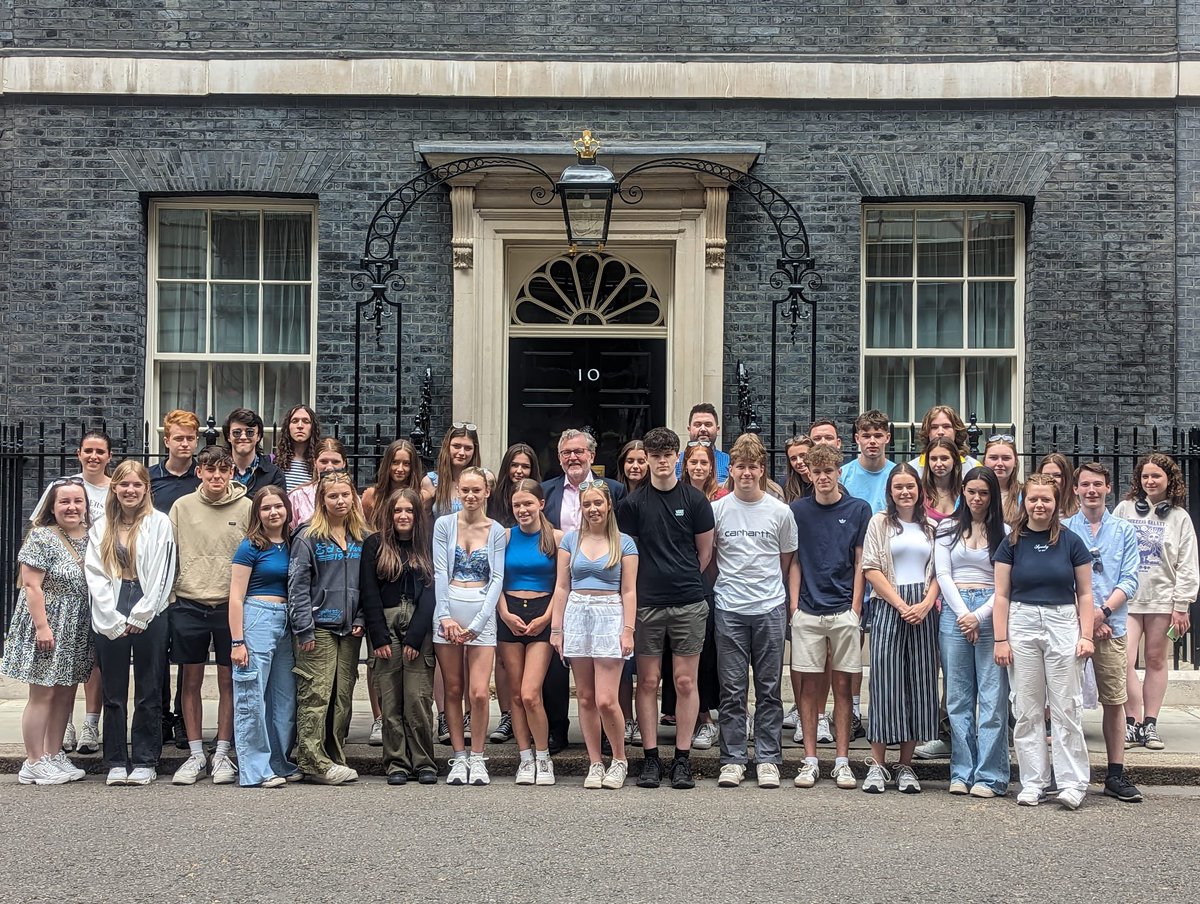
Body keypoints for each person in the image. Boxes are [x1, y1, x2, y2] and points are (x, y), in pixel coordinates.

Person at [617, 426, 715, 790]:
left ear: (677, 458)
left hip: (689, 601)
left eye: (666, 456)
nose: (660, 462)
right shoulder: (631, 505)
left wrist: (681, 577)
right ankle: (652, 758)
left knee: (685, 680)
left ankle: (683, 759)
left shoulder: (695, 501)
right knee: (648, 681)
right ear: (648, 459)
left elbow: (705, 553)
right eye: (654, 456)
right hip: (647, 605)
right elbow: (628, 556)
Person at [993, 474, 1094, 809]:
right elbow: (1002, 595)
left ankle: (1072, 782)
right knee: (1026, 707)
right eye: (1033, 499)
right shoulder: (1011, 543)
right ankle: (1034, 781)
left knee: (1067, 706)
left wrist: (1087, 635)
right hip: (1021, 621)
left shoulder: (1072, 542)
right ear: (1025, 502)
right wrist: (1001, 639)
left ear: (1056, 502)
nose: (1039, 505)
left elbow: (1086, 593)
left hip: (1062, 620)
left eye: (1046, 499)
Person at [710, 436, 797, 789]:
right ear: (730, 470)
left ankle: (767, 757)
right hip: (729, 608)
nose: (746, 473)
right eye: (740, 466)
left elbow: (786, 559)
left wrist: (783, 602)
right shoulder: (717, 510)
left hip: (769, 607)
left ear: (762, 470)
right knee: (731, 689)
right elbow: (711, 559)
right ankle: (732, 758)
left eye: (753, 467)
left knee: (769, 688)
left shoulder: (780, 511)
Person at [86, 461, 177, 786]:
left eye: (137, 485)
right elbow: (94, 574)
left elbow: (165, 572)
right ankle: (114, 761)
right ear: (115, 488)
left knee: (149, 688)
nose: (130, 490)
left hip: (149, 604)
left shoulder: (160, 523)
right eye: (124, 484)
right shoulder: (100, 526)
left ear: (145, 488)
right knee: (113, 691)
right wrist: (110, 616)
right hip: (112, 602)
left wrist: (143, 612)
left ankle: (144, 760)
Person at [787, 442, 871, 790]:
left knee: (842, 687)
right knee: (808, 687)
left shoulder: (858, 509)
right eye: (816, 472)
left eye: (828, 472)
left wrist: (855, 608)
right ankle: (809, 760)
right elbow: (793, 560)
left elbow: (860, 562)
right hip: (807, 609)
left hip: (843, 611)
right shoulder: (797, 511)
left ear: (839, 473)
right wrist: (794, 608)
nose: (823, 478)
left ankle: (841, 760)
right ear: (810, 475)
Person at [2, 479, 95, 785]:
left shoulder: (92, 537)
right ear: (52, 507)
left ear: (85, 505)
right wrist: (43, 627)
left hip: (77, 626)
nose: (71, 507)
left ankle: (53, 754)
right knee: (43, 693)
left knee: (66, 693)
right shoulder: (42, 537)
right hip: (49, 624)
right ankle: (32, 760)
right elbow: (31, 586)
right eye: (64, 502)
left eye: (77, 501)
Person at [169, 444, 251, 786]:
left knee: (228, 680)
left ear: (231, 472)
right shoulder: (181, 506)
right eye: (209, 470)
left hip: (229, 605)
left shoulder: (247, 507)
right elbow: (170, 552)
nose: (216, 476)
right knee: (190, 680)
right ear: (199, 472)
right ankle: (194, 753)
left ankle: (221, 753)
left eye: (223, 470)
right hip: (189, 602)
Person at [541, 428, 626, 754]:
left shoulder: (614, 490)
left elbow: (623, 538)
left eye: (578, 452)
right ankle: (557, 732)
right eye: (566, 453)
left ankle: (609, 739)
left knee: (605, 678)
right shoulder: (547, 491)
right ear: (560, 458)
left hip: (604, 593)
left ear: (591, 455)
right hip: (560, 588)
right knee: (556, 671)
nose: (572, 458)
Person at [551, 480, 638, 789]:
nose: (592, 509)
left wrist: (628, 630)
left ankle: (619, 759)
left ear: (608, 505)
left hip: (609, 614)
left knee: (605, 699)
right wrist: (556, 629)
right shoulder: (570, 541)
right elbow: (562, 586)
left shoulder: (624, 542)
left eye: (598, 503)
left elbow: (629, 590)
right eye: (587, 504)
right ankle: (594, 762)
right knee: (585, 697)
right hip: (577, 614)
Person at [30, 429, 112, 756]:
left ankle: (92, 722)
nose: (94, 456)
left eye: (100, 452)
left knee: (92, 658)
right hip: (63, 585)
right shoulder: (63, 486)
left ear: (109, 456)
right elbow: (39, 525)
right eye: (88, 450)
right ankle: (60, 730)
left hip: (101, 582)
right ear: (79, 453)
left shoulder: (114, 488)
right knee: (59, 663)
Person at [1065, 462, 1143, 802]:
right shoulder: (1065, 528)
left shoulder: (1124, 530)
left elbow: (1130, 578)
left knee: (1115, 700)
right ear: (1076, 489)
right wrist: (1087, 617)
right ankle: (1067, 773)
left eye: (1098, 484)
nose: (1091, 490)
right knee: (1065, 700)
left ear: (1108, 488)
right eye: (1085, 484)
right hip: (1072, 626)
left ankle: (1115, 774)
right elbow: (1061, 576)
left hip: (1112, 626)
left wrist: (1102, 612)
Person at [860, 464, 940, 794]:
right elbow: (870, 568)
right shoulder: (880, 523)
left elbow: (940, 572)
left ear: (920, 490)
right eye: (898, 487)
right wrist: (901, 605)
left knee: (919, 684)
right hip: (889, 606)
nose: (905, 492)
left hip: (923, 609)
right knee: (885, 683)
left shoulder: (932, 527)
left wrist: (924, 604)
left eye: (910, 486)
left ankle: (906, 765)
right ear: (890, 492)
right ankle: (878, 765)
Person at [934, 466, 1011, 798]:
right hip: (955, 611)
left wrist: (979, 616)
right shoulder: (947, 527)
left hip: (990, 610)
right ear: (962, 492)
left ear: (992, 496)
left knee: (992, 698)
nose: (977, 499)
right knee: (958, 697)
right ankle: (962, 772)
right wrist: (964, 613)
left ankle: (990, 776)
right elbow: (942, 573)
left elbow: (1005, 582)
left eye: (984, 493)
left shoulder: (1005, 532)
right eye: (971, 491)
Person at [289, 470, 369, 785]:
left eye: (345, 495)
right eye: (332, 496)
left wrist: (361, 618)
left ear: (354, 497)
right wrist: (303, 627)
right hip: (318, 628)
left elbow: (367, 584)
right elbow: (297, 585)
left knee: (342, 695)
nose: (339, 501)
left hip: (349, 629)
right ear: (322, 500)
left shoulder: (361, 535)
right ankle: (311, 760)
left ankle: (334, 756)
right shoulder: (308, 535)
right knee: (316, 693)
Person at [1114, 453, 1198, 752]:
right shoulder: (1124, 509)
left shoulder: (1179, 518)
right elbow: (1113, 551)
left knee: (1155, 661)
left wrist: (1182, 604)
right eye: (1145, 476)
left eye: (1156, 476)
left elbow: (1187, 563)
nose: (1150, 481)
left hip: (1163, 600)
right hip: (1128, 598)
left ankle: (1150, 723)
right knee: (1123, 660)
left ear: (1169, 480)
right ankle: (1131, 722)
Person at [433, 466, 506, 786]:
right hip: (448, 609)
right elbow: (439, 572)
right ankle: (459, 757)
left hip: (482, 614)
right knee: (452, 688)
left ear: (487, 492)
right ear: (457, 493)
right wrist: (445, 616)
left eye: (477, 490)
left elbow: (498, 578)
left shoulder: (497, 530)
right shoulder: (444, 525)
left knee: (478, 692)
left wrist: (478, 623)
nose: (471, 496)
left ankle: (478, 757)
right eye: (465, 490)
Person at [361, 487, 438, 786]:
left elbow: (433, 590)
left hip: (419, 624)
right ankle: (396, 761)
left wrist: (416, 636)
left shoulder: (427, 545)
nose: (403, 516)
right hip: (385, 622)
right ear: (389, 515)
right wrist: (378, 635)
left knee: (417, 697)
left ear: (417, 515)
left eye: (409, 510)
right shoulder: (374, 545)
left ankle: (423, 760)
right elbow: (368, 591)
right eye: (397, 511)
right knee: (390, 698)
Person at [228, 485, 300, 788]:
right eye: (266, 507)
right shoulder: (250, 546)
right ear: (257, 513)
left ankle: (278, 762)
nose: (273, 512)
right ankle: (255, 770)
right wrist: (237, 641)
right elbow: (234, 596)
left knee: (283, 698)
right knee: (252, 695)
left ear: (287, 509)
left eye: (278, 506)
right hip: (257, 618)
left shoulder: (293, 543)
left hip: (287, 624)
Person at [497, 480, 561, 786]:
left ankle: (543, 756)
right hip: (510, 613)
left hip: (542, 615)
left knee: (531, 693)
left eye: (527, 504)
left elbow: (564, 585)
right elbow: (494, 579)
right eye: (517, 505)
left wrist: (547, 617)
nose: (522, 510)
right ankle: (525, 757)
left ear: (541, 504)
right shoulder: (505, 536)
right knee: (516, 695)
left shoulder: (558, 538)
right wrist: (503, 613)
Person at [839, 409, 897, 514]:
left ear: (887, 438)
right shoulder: (843, 475)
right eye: (866, 436)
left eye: (878, 436)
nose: (872, 441)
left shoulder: (897, 474)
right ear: (857, 439)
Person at [361, 439, 426, 532]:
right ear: (388, 464)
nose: (400, 469)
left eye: (406, 464)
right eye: (395, 462)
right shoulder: (372, 496)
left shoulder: (422, 497)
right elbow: (368, 532)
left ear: (412, 467)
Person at [288, 437, 352, 531]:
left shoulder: (352, 497)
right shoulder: (297, 497)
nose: (329, 467)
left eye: (335, 462)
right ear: (315, 463)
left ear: (344, 464)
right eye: (324, 462)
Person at [422, 423, 482, 518]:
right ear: (447, 447)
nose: (462, 453)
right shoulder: (430, 482)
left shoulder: (485, 479)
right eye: (456, 446)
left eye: (468, 448)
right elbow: (425, 522)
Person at [148, 410, 202, 513]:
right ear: (167, 442)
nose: (185, 444)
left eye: (190, 438)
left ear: (196, 442)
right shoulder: (149, 477)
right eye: (179, 438)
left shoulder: (203, 477)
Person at [224, 408, 287, 494]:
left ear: (258, 436)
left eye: (249, 432)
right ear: (228, 437)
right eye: (237, 432)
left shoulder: (274, 475)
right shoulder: (217, 472)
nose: (243, 437)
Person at [908, 406, 982, 473]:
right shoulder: (912, 469)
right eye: (934, 427)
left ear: (956, 430)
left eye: (946, 426)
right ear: (927, 432)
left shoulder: (973, 467)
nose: (940, 432)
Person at [489, 443, 542, 527]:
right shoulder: (493, 498)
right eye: (514, 465)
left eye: (525, 466)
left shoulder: (542, 495)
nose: (519, 471)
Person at [675, 403, 730, 483]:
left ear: (717, 429)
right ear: (689, 429)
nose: (703, 429)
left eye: (708, 424)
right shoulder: (676, 462)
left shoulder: (728, 462)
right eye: (698, 425)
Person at [274, 404, 321, 493]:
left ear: (313, 427)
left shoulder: (320, 463)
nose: (300, 426)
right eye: (295, 421)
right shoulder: (275, 461)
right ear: (288, 427)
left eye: (306, 421)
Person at [922, 438, 962, 523]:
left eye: (944, 458)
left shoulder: (965, 493)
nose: (939, 464)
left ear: (954, 460)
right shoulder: (919, 492)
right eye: (933, 459)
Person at [983, 435, 1021, 523]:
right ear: (984, 460)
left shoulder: (1025, 494)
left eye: (1006, 458)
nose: (1000, 463)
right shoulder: (971, 492)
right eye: (993, 458)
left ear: (1015, 462)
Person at [1037, 452, 1079, 519]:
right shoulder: (1032, 509)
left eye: (1057, 475)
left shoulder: (1080, 512)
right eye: (1045, 475)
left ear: (1067, 478)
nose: (1051, 479)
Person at [783, 435, 814, 503]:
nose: (799, 461)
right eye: (793, 459)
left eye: (803, 456)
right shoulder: (785, 485)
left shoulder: (824, 481)